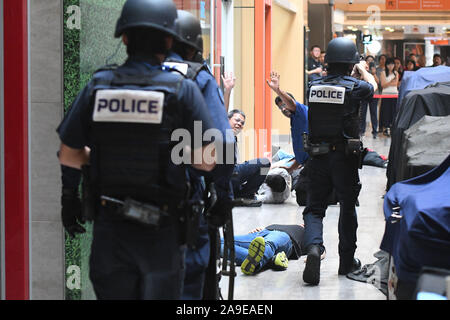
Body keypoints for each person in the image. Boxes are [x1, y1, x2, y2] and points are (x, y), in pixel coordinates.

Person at [57, 0, 217, 300]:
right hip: (162, 233)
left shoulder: (98, 86)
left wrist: (72, 194)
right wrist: (169, 154)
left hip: (110, 231)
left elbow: (68, 154)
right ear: (169, 40)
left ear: (125, 37)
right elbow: (208, 161)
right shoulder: (183, 90)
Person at [164, 10, 236, 300]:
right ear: (193, 47)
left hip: (119, 212)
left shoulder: (121, 78)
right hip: (184, 204)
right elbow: (224, 146)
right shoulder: (198, 79)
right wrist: (222, 192)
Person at [301, 37, 376, 286]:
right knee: (346, 205)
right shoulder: (355, 87)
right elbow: (372, 87)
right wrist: (362, 69)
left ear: (328, 61)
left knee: (315, 208)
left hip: (317, 156)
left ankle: (313, 248)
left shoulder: (313, 85)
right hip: (344, 158)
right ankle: (346, 262)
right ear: (349, 64)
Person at [221, 224, 318, 275]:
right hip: (261, 233)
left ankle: (257, 263)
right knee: (220, 241)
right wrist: (262, 228)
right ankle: (264, 260)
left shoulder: (310, 234)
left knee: (269, 244)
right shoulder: (291, 225)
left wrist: (314, 258)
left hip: (285, 237)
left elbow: (320, 250)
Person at [229, 109, 271, 207]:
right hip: (227, 175)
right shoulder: (224, 133)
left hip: (231, 175)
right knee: (264, 163)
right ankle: (247, 195)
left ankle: (242, 195)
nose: (239, 124)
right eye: (237, 120)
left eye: (242, 123)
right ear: (227, 120)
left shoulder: (233, 137)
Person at [360, 56, 379, 139]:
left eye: (371, 60)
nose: (370, 62)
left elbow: (378, 82)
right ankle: (362, 131)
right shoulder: (362, 70)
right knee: (362, 113)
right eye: (368, 60)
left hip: (374, 94)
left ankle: (375, 131)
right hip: (364, 93)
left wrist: (374, 73)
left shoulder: (376, 70)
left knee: (374, 113)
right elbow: (360, 80)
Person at [379, 57, 399, 137]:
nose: (390, 66)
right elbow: (383, 85)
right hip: (386, 94)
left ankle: (392, 127)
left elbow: (396, 84)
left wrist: (388, 83)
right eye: (389, 64)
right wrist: (390, 82)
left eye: (392, 64)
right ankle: (386, 128)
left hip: (394, 94)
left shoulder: (396, 73)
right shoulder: (383, 73)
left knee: (393, 112)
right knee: (386, 112)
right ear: (386, 65)